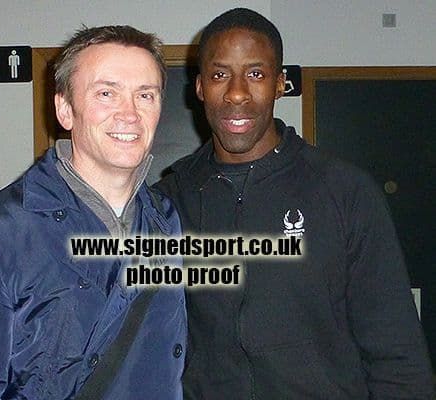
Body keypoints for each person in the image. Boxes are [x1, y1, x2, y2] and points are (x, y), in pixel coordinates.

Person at [155, 8, 434, 399]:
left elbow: (398, 356)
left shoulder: (344, 192)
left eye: (256, 74)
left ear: (280, 84)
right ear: (200, 87)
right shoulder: (168, 203)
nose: (237, 93)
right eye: (220, 75)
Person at [0, 25, 186, 399]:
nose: (129, 114)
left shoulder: (165, 219)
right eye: (106, 93)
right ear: (65, 110)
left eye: (145, 95)